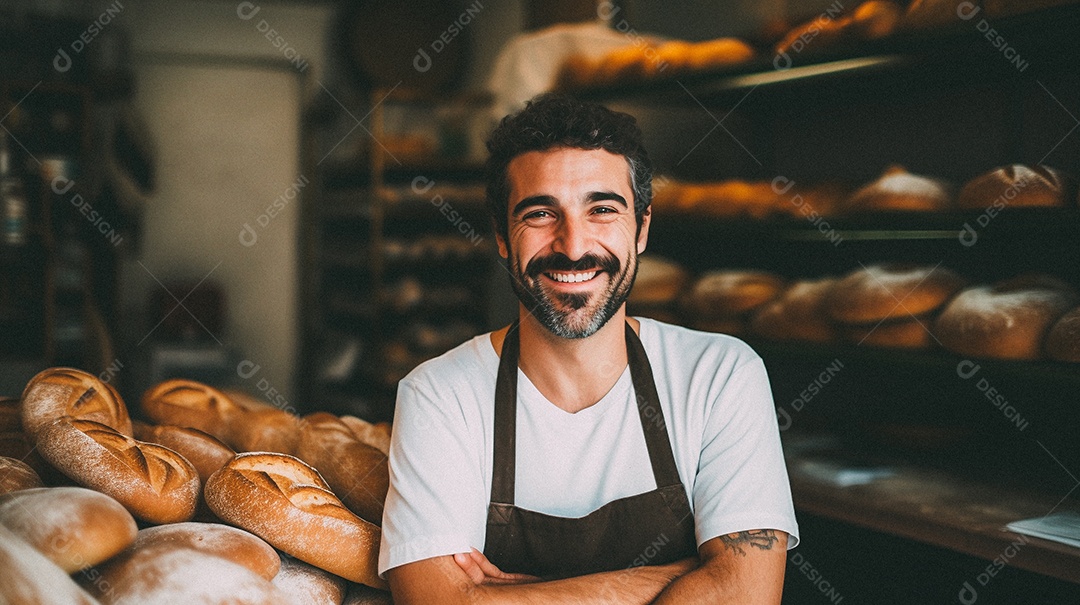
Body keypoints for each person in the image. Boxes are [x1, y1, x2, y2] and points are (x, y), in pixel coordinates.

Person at [379, 94, 799, 604]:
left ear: (641, 228)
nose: (574, 245)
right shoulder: (438, 396)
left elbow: (745, 598)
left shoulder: (720, 376)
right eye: (540, 213)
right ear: (502, 238)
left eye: (602, 209)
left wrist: (501, 597)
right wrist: (681, 577)